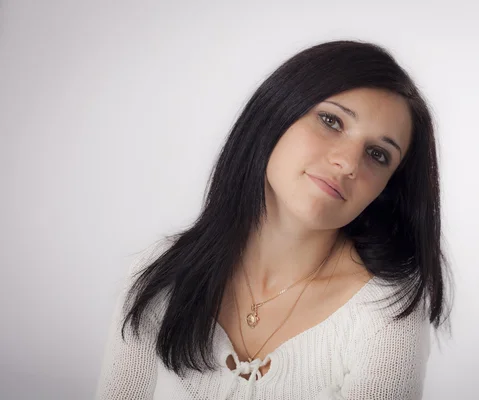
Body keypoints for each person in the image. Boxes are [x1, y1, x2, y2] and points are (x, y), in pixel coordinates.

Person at [94, 39, 452, 400]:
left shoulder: (387, 315)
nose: (348, 162)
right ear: (276, 114)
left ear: (387, 189)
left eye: (377, 154)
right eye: (331, 121)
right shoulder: (160, 273)